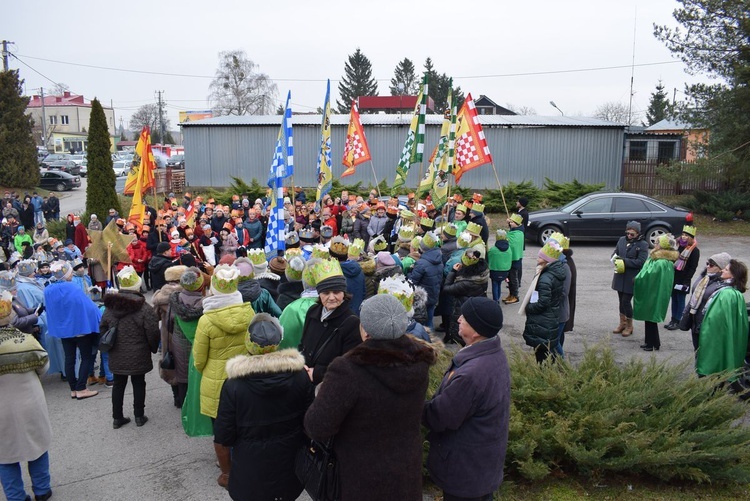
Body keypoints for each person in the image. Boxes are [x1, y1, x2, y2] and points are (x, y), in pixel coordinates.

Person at [305, 294, 437, 501]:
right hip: (405, 471)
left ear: (365, 331)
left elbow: (317, 426)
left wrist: (322, 393)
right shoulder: (419, 362)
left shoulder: (347, 370)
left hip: (358, 477)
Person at [214, 313, 314, 500]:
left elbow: (223, 435)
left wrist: (226, 473)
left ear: (249, 342)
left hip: (249, 468)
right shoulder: (300, 376)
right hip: (290, 464)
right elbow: (310, 422)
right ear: (277, 342)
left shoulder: (234, 384)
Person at [423, 297, 510, 501]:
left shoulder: (472, 374)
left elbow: (440, 416)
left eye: (465, 317)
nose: (459, 319)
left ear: (477, 330)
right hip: (482, 465)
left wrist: (409, 403)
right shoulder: (493, 353)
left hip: (465, 471)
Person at [193, 264, 255, 479]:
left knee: (220, 428)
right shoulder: (249, 311)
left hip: (216, 380)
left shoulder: (206, 319)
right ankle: (245, 462)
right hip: (244, 375)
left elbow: (199, 359)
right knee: (244, 422)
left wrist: (206, 370)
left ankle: (227, 471)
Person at [0, 293, 53, 501]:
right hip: (29, 399)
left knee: (5, 454)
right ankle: (42, 489)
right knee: (37, 446)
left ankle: (16, 496)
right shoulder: (25, 340)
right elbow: (43, 367)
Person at [100, 267, 160, 428]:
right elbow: (153, 331)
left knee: (119, 383)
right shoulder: (144, 308)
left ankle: (117, 417)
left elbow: (103, 327)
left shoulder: (110, 307)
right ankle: (139, 416)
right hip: (138, 351)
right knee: (139, 382)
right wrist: (153, 347)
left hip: (117, 352)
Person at [44, 261, 101, 399]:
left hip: (63, 330)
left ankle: (73, 388)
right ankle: (81, 388)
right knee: (86, 357)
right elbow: (88, 306)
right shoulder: (72, 288)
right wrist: (99, 316)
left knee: (69, 359)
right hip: (80, 327)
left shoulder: (48, 290)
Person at [298, 259, 361, 385]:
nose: (331, 297)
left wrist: (317, 373)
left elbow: (350, 366)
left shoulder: (352, 322)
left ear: (344, 293)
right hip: (305, 381)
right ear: (319, 294)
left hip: (327, 386)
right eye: (326, 293)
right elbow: (303, 345)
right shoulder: (312, 311)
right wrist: (300, 363)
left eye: (336, 292)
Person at [695, 259, 749, 377]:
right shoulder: (734, 292)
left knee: (713, 372)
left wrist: (703, 329)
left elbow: (715, 319)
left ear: (733, 275)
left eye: (726, 269)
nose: (723, 271)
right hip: (723, 338)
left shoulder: (726, 294)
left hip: (716, 340)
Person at [521, 240, 567, 363]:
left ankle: (544, 377)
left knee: (541, 354)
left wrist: (529, 308)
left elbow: (543, 302)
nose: (537, 258)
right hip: (551, 317)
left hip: (542, 320)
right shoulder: (556, 273)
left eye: (540, 256)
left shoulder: (546, 277)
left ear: (547, 259)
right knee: (547, 351)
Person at [633, 234, 679, 351]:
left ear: (662, 246)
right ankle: (652, 342)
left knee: (650, 318)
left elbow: (650, 275)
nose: (655, 244)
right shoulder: (663, 260)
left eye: (658, 243)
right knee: (649, 318)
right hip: (655, 292)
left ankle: (651, 343)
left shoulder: (660, 262)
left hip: (653, 293)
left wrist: (638, 279)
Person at [679, 252, 732, 351]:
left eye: (711, 264)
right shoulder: (705, 276)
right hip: (695, 320)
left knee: (705, 352)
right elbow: (693, 297)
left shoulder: (723, 284)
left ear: (721, 267)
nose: (708, 266)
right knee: (697, 350)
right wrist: (686, 315)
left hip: (706, 324)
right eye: (707, 263)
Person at [442, 249, 490, 346]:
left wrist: (453, 272)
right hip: (476, 305)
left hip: (463, 308)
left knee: (464, 336)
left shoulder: (465, 283)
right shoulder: (482, 273)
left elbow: (447, 288)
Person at [610, 221, 649, 337]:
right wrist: (614, 258)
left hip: (631, 278)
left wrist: (624, 261)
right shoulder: (622, 240)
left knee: (626, 301)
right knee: (620, 301)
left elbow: (641, 262)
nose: (629, 236)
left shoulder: (643, 244)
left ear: (638, 233)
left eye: (632, 234)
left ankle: (629, 325)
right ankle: (622, 323)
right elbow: (615, 253)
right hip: (620, 275)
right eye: (628, 233)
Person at [664, 225, 700, 330]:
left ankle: (679, 320)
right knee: (674, 298)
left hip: (683, 279)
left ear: (691, 238)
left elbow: (693, 267)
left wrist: (686, 281)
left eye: (687, 235)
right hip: (674, 276)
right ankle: (673, 319)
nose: (684, 237)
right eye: (683, 234)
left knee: (680, 299)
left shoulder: (694, 250)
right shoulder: (678, 246)